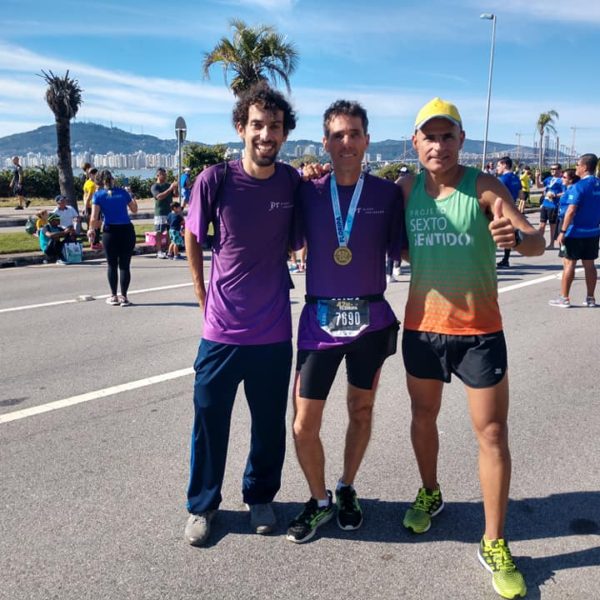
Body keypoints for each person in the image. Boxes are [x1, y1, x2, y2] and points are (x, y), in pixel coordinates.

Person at [396, 97, 544, 600]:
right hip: (421, 328)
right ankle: (431, 492)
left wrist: (515, 237)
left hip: (479, 331)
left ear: (461, 141)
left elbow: (534, 241)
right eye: (429, 136)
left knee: (493, 433)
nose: (438, 145)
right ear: (414, 142)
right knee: (422, 418)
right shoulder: (405, 188)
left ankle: (494, 540)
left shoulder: (482, 185)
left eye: (447, 136)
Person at [183, 82, 301, 546]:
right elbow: (193, 236)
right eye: (257, 125)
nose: (265, 134)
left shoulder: (292, 182)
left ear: (284, 133)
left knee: (269, 422)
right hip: (222, 330)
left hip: (273, 329)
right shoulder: (215, 179)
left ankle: (260, 496)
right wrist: (201, 295)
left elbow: (298, 239)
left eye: (274, 126)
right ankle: (202, 506)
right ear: (241, 128)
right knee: (209, 420)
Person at [285, 100, 403, 544]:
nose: (346, 142)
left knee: (361, 408)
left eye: (354, 133)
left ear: (367, 140)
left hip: (370, 322)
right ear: (325, 142)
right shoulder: (308, 192)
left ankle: (347, 486)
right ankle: (318, 501)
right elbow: (286, 236)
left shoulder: (387, 194)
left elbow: (410, 246)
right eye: (337, 135)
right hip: (318, 322)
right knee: (303, 422)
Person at [549, 153, 600, 308]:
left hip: (575, 231)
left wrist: (562, 232)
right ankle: (590, 298)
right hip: (592, 231)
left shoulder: (579, 186)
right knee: (589, 264)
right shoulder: (598, 183)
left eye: (578, 164)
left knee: (569, 264)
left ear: (584, 167)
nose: (576, 167)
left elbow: (571, 210)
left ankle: (564, 298)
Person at [89, 169, 138, 307]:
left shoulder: (98, 195)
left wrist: (91, 230)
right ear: (112, 179)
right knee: (124, 265)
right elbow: (134, 209)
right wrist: (131, 194)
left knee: (112, 264)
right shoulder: (123, 193)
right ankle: (124, 296)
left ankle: (113, 296)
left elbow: (94, 217)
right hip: (127, 230)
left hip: (110, 231)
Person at [495, 157, 522, 268]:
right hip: (512, 207)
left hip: (502, 208)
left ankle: (489, 259)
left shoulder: (502, 179)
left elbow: (495, 196)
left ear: (504, 165)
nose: (497, 168)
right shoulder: (516, 178)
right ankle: (506, 259)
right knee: (507, 235)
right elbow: (521, 195)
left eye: (499, 165)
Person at [536, 163, 565, 249]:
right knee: (541, 225)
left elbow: (565, 192)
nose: (552, 170)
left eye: (555, 169)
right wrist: (537, 177)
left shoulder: (561, 180)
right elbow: (539, 186)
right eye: (551, 168)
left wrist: (555, 195)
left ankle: (551, 244)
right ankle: (539, 243)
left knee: (553, 226)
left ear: (560, 170)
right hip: (545, 204)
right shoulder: (549, 179)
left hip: (554, 206)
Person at [151, 167, 177, 258]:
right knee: (159, 232)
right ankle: (159, 251)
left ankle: (169, 250)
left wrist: (175, 188)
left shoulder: (168, 185)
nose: (165, 176)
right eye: (163, 174)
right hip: (160, 212)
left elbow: (175, 195)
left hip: (169, 212)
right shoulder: (155, 186)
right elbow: (159, 196)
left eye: (165, 174)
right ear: (157, 175)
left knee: (170, 231)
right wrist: (170, 189)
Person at [83, 167, 102, 249]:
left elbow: (84, 195)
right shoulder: (92, 185)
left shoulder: (87, 182)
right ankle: (95, 243)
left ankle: (94, 242)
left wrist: (85, 206)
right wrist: (86, 208)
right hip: (93, 206)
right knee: (96, 225)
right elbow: (88, 197)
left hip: (90, 206)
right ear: (93, 174)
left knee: (93, 225)